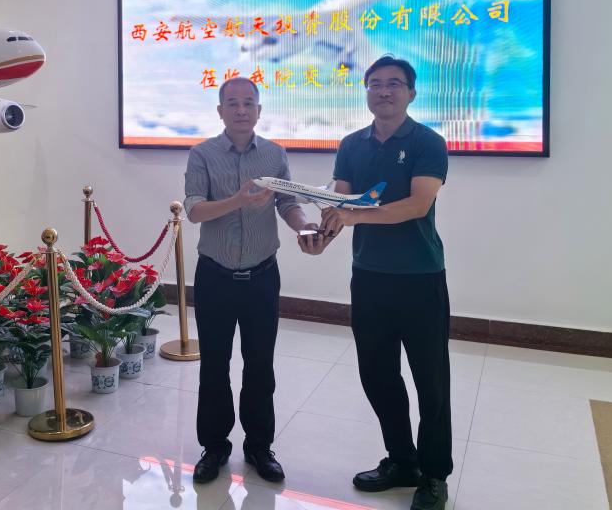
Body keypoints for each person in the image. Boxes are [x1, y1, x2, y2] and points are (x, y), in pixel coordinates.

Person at [314, 55, 452, 510]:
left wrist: (352, 216)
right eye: (375, 83)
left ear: (411, 92)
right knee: (377, 375)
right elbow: (340, 198)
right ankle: (402, 460)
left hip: (420, 277)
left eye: (394, 83)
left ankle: (434, 474)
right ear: (366, 91)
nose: (384, 91)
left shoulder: (428, 142)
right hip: (369, 276)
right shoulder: (351, 144)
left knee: (430, 381)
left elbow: (416, 205)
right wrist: (321, 232)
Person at [183, 76, 320, 484]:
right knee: (215, 364)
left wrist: (302, 226)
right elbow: (194, 210)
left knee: (260, 364)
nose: (241, 110)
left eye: (248, 103)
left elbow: (287, 203)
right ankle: (214, 447)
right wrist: (237, 201)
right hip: (215, 277)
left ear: (259, 110)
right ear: (220, 110)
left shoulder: (275, 154)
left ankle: (259, 447)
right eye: (233, 103)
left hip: (262, 276)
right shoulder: (202, 154)